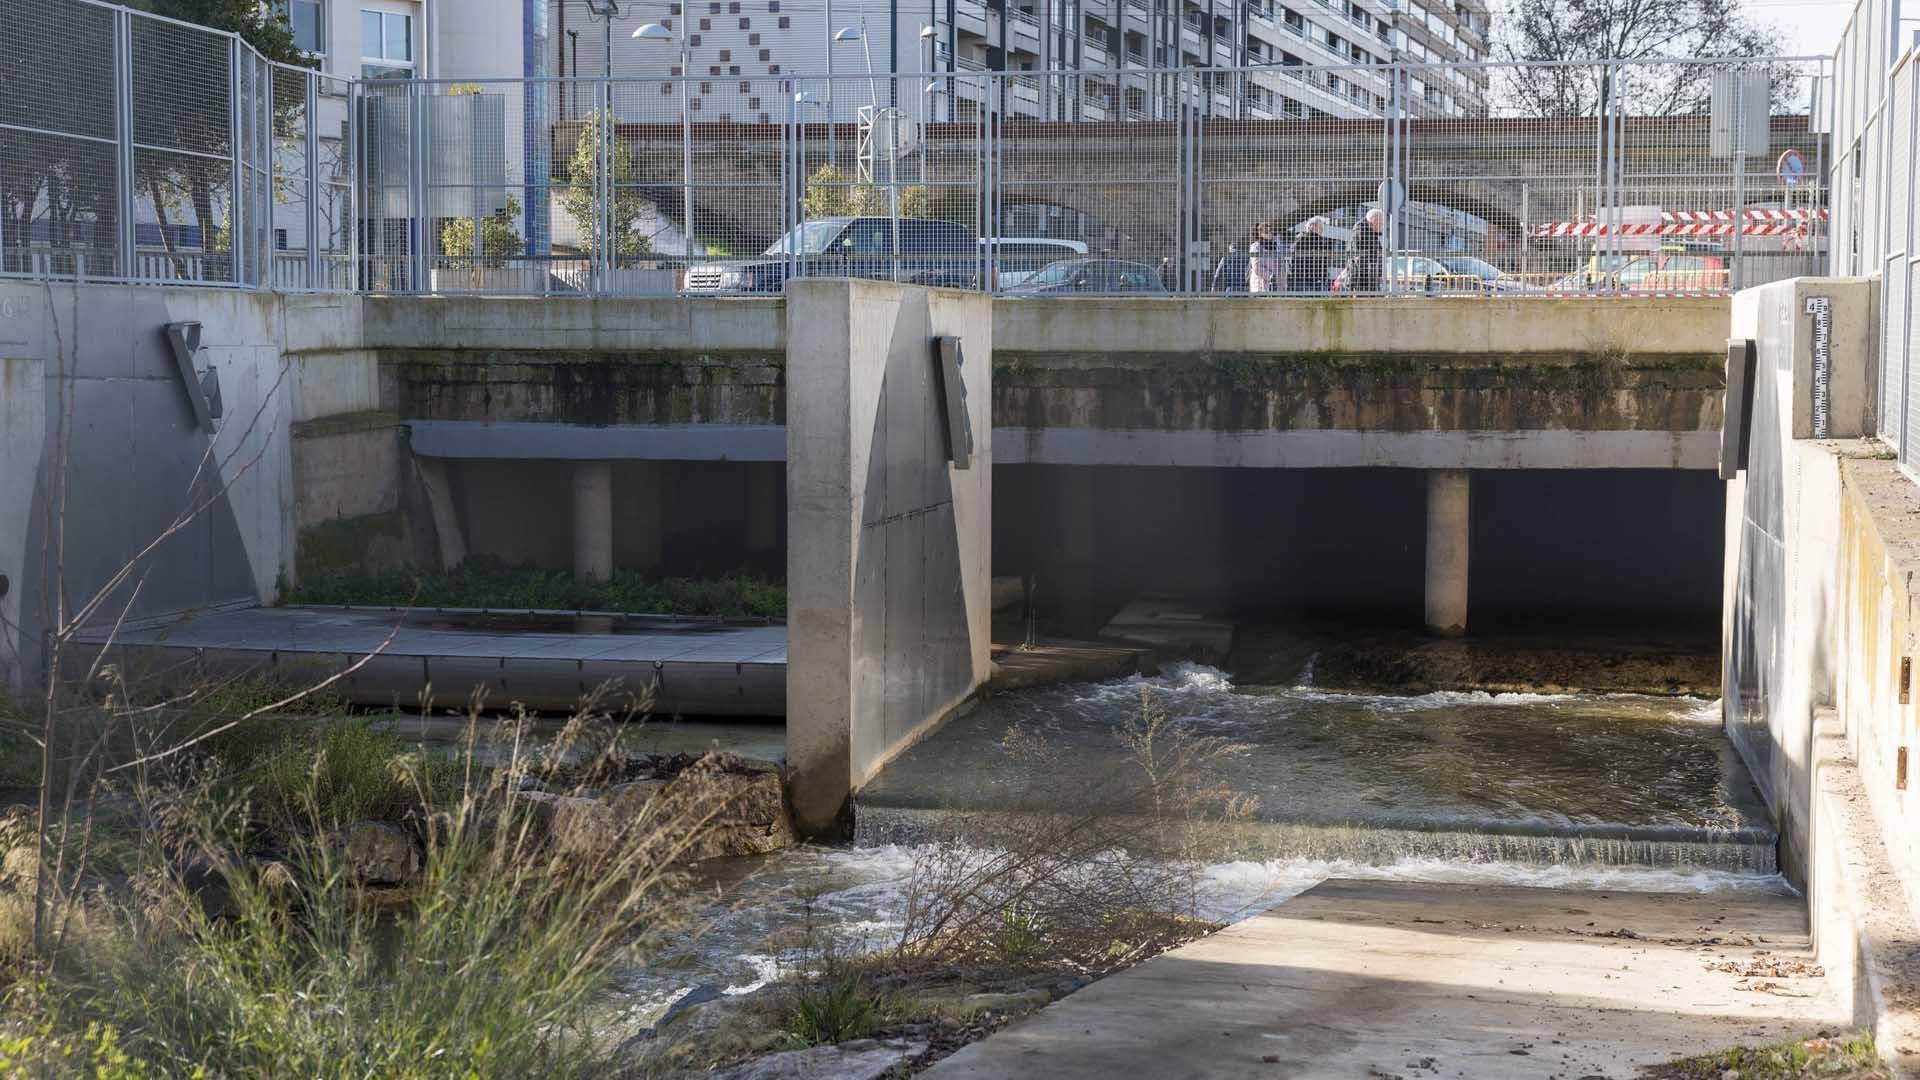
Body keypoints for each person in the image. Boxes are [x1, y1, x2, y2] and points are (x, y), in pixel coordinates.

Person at [1287, 216, 1339, 294]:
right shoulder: (1306, 240)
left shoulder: (1300, 239)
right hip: (1306, 278)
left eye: (1322, 228)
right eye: (1320, 227)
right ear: (1312, 226)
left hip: (1307, 278)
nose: (1322, 230)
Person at [1343, 207, 1388, 294]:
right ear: (1374, 220)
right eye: (1381, 222)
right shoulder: (1362, 232)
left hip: (1366, 277)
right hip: (1361, 279)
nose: (1382, 225)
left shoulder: (1368, 233)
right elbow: (1362, 256)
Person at [1248, 221, 1287, 294]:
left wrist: (1283, 280)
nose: (1270, 233)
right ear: (1260, 234)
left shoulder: (1276, 246)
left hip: (1277, 286)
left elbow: (1281, 264)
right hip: (1260, 286)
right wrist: (1270, 276)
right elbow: (1256, 267)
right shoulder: (1255, 246)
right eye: (1266, 232)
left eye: (1271, 231)